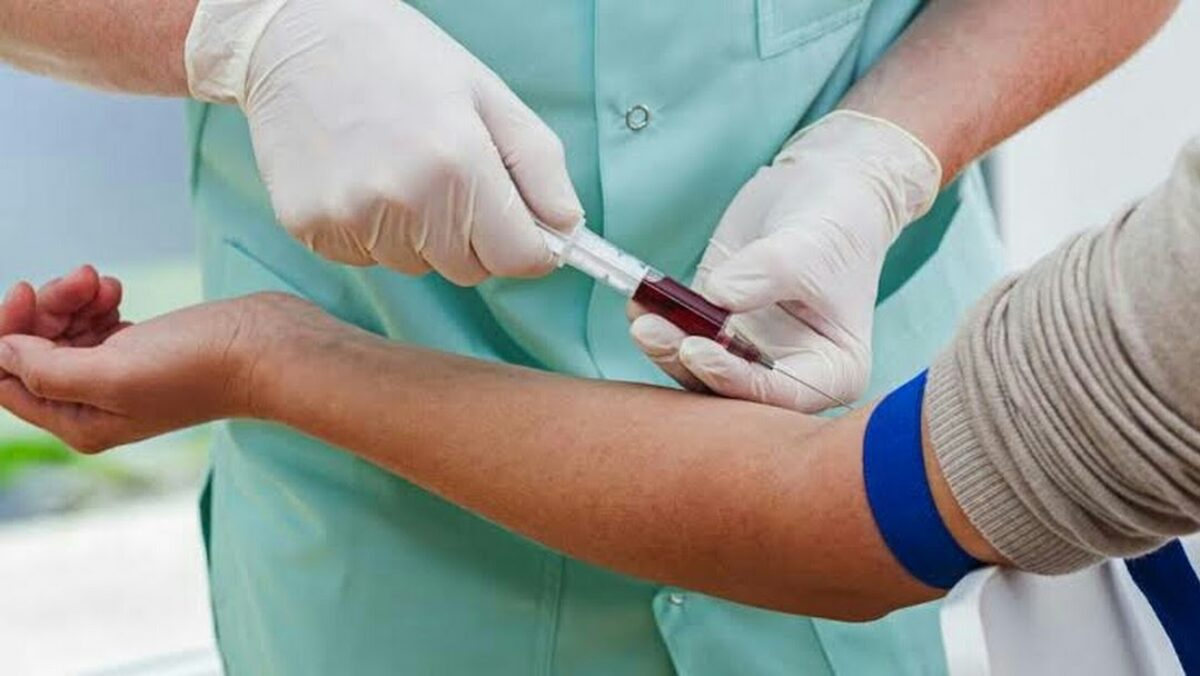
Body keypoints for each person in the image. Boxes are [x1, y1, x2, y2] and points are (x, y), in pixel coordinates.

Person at [0, 0, 1180, 673]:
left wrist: (887, 150)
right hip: (391, 567)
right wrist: (245, 28)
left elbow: (838, 518)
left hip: (906, 445)